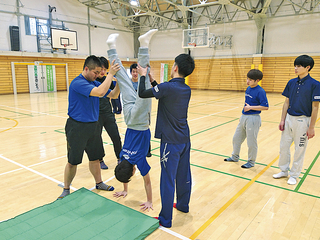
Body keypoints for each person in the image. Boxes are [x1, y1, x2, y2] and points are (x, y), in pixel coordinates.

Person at [138, 52, 195, 227]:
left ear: (175, 67)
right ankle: (183, 205)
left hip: (170, 142)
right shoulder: (185, 88)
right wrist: (154, 81)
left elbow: (142, 93)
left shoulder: (167, 88)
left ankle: (165, 219)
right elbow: (163, 92)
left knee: (168, 179)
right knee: (184, 174)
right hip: (184, 139)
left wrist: (142, 77)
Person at [106, 29, 158, 211]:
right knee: (121, 77)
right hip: (128, 117)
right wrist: (124, 188)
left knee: (143, 78)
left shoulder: (139, 161)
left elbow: (148, 182)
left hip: (140, 120)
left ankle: (144, 45)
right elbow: (123, 170)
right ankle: (111, 47)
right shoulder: (122, 157)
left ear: (133, 170)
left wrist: (150, 201)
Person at [58, 55, 120, 199]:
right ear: (86, 69)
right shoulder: (78, 83)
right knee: (73, 161)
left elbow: (114, 95)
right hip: (77, 127)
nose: (98, 75)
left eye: (100, 73)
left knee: (95, 158)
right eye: (96, 72)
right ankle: (66, 188)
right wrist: (110, 74)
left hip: (93, 126)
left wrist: (119, 83)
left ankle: (99, 183)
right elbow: (100, 93)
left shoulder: (93, 83)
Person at [273, 55, 320, 185]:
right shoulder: (291, 83)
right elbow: (286, 102)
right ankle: (283, 170)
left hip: (303, 121)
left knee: (299, 149)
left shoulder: (315, 85)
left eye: (299, 66)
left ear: (307, 67)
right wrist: (282, 120)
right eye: (295, 65)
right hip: (289, 119)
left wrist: (311, 127)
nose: (295, 68)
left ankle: (294, 174)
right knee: (283, 147)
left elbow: (315, 107)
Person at [224, 69, 269, 168]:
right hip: (244, 117)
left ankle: (251, 162)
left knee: (251, 142)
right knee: (236, 138)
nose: (247, 81)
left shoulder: (260, 91)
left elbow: (265, 107)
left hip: (253, 118)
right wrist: (242, 116)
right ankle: (235, 157)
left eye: (250, 80)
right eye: (247, 79)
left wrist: (250, 108)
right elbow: (246, 104)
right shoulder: (248, 89)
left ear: (257, 80)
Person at [96, 56, 122, 169]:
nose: (103, 72)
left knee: (116, 136)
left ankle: (120, 158)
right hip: (95, 115)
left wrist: (119, 83)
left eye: (105, 69)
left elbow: (114, 94)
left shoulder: (108, 80)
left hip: (108, 113)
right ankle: (100, 159)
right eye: (100, 69)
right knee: (97, 138)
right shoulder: (92, 81)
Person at [130, 62, 153, 158]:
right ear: (131, 72)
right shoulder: (129, 84)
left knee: (146, 129)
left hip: (143, 110)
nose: (135, 73)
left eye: (136, 71)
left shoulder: (142, 82)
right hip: (133, 110)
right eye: (133, 71)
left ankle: (147, 150)